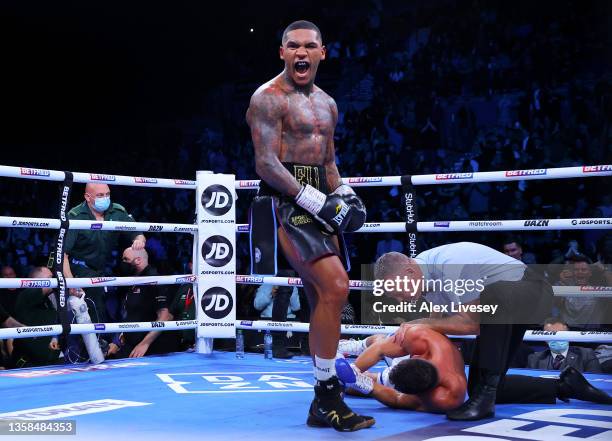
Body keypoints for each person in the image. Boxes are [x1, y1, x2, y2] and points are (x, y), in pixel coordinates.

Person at [246, 20, 372, 431]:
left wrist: (346, 193)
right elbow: (265, 162)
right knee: (336, 286)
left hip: (319, 196)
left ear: (323, 52)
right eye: (293, 46)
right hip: (286, 201)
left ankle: (324, 400)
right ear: (282, 52)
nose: (302, 53)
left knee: (325, 297)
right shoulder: (267, 99)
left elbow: (329, 162)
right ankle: (328, 394)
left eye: (310, 46)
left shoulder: (329, 104)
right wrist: (310, 197)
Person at [374, 242, 554, 420]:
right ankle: (563, 386)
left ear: (409, 273)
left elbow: (471, 325)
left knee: (492, 297)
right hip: (507, 306)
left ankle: (486, 401)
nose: (400, 300)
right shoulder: (422, 274)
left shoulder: (451, 267)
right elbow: (436, 324)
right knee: (478, 387)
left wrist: (422, 323)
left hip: (533, 291)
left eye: (398, 292)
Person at [336, 325, 612, 410]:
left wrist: (368, 384)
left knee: (359, 388)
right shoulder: (424, 339)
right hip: (433, 362)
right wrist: (358, 366)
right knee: (380, 343)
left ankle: (562, 386)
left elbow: (397, 397)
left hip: (419, 376)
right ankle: (353, 348)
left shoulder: (446, 396)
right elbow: (383, 349)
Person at [62, 183, 146, 324]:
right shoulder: (75, 216)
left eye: (107, 194)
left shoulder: (117, 211)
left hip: (102, 268)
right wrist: (71, 282)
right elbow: (62, 254)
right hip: (77, 269)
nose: (105, 198)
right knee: (93, 311)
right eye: (100, 195)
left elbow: (138, 233)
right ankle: (98, 341)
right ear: (87, 197)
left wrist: (139, 240)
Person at [115, 247, 178, 358]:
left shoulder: (154, 280)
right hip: (131, 342)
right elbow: (132, 313)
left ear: (138, 260)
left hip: (150, 347)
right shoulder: (133, 279)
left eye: (126, 259)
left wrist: (145, 344)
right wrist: (119, 340)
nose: (123, 263)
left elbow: (164, 316)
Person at [11, 267, 78, 367]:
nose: (54, 281)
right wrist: (60, 280)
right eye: (50, 278)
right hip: (29, 362)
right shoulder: (25, 296)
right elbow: (43, 288)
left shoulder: (48, 300)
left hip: (52, 359)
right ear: (36, 281)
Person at [527, 318, 602, 372]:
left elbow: (596, 385)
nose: (556, 338)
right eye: (551, 334)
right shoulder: (534, 359)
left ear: (569, 336)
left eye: (561, 334)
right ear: (544, 339)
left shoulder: (586, 355)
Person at [253, 283, 300, 359]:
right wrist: (271, 294)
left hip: (288, 320)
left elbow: (296, 307)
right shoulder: (266, 283)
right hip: (267, 319)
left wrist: (288, 294)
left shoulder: (291, 284)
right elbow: (257, 305)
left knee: (295, 327)